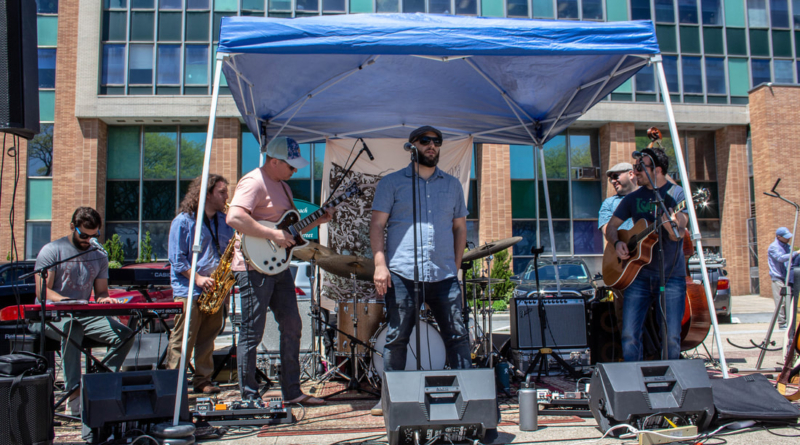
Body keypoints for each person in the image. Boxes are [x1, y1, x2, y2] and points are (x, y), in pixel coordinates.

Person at [369, 125, 471, 416]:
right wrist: (380, 264)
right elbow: (377, 225)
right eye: (425, 141)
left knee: (457, 335)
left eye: (436, 142)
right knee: (397, 336)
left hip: (444, 274)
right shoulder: (391, 183)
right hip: (402, 273)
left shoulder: (452, 185)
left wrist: (456, 264)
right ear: (412, 146)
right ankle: (390, 398)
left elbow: (460, 228)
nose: (432, 146)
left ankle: (467, 393)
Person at [227, 136, 332, 405]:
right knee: (253, 331)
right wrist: (273, 235)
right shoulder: (253, 181)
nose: (295, 171)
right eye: (291, 166)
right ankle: (249, 397)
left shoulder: (283, 187)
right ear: (274, 161)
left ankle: (292, 392)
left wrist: (317, 220)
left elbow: (290, 230)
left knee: (292, 325)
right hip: (252, 266)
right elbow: (235, 217)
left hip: (277, 266)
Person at [33, 207, 134, 415]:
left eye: (93, 235)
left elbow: (101, 291)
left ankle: (100, 385)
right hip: (52, 315)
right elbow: (43, 292)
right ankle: (74, 396)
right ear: (73, 227)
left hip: (82, 313)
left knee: (125, 334)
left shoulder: (98, 255)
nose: (88, 239)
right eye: (83, 235)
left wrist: (103, 299)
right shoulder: (52, 251)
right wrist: (65, 300)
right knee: (72, 328)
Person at [604, 148, 689, 362]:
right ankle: (634, 381)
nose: (636, 172)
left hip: (671, 277)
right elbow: (612, 227)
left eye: (640, 167)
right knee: (630, 335)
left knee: (671, 336)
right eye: (635, 168)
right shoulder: (633, 198)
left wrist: (670, 226)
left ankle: (671, 381)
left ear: (657, 170)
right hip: (638, 276)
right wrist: (618, 242)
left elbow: (678, 234)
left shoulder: (677, 195)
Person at [166, 174, 235, 394]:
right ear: (206, 194)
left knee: (208, 339)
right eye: (222, 192)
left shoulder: (225, 222)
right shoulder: (184, 221)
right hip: (189, 289)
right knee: (183, 338)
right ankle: (174, 385)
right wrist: (197, 278)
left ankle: (202, 380)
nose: (227, 196)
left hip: (215, 289)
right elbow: (177, 258)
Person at [768, 227, 799, 330]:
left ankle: (789, 323)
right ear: (779, 237)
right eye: (786, 238)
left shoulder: (787, 246)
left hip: (787, 278)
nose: (788, 239)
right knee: (781, 302)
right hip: (778, 278)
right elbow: (780, 258)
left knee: (788, 301)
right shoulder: (773, 247)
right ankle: (782, 324)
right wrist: (796, 253)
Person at [598, 162, 638, 236]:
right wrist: (618, 243)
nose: (613, 181)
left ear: (631, 174)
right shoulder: (609, 203)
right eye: (611, 179)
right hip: (620, 247)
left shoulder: (648, 197)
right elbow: (607, 231)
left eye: (615, 176)